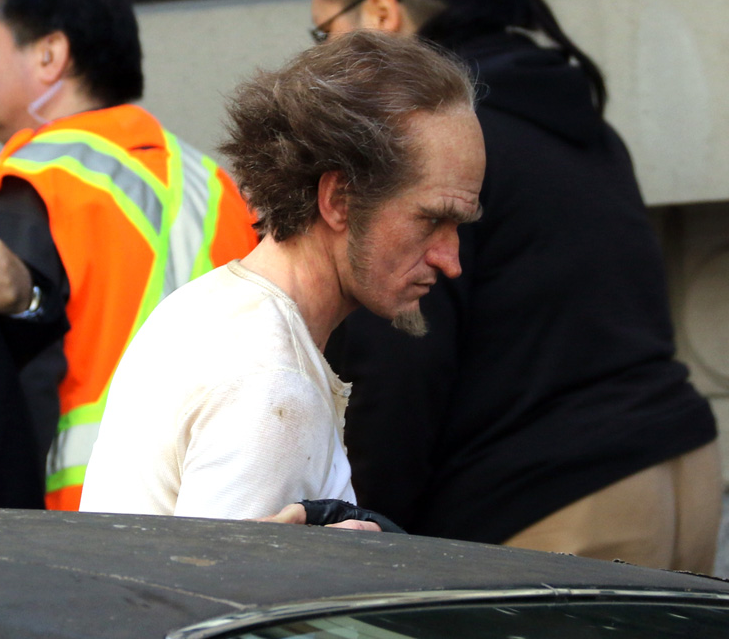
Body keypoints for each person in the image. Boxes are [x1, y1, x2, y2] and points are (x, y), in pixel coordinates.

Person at [316, 0, 722, 573]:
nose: (321, 54)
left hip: (546, 501)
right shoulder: (573, 117)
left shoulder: (431, 140)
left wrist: (364, 530)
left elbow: (399, 364)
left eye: (323, 32)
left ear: (383, 15)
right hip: (681, 470)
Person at [79, 30, 485, 521]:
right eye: (431, 219)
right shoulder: (272, 382)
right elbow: (217, 574)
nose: (450, 260)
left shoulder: (209, 310)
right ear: (339, 200)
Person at [0, 0, 258, 510]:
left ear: (50, 55)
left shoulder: (33, 187)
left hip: (74, 523)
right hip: (222, 507)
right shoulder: (214, 188)